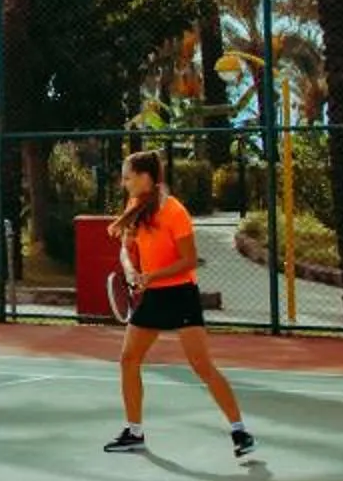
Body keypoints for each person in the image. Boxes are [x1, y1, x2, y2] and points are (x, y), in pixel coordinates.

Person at [102, 150, 255, 460]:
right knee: (129, 359)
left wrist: (152, 276)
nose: (124, 183)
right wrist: (131, 271)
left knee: (201, 365)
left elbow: (188, 260)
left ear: (145, 177)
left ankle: (240, 430)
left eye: (128, 177)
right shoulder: (135, 206)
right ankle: (134, 432)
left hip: (181, 294)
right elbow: (126, 249)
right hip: (153, 297)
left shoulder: (175, 212)